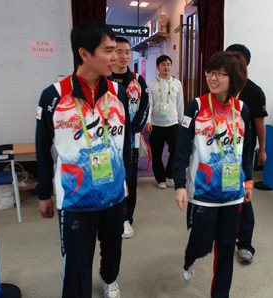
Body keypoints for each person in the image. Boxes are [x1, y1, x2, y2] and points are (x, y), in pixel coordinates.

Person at [35, 20, 131, 298]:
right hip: (76, 198)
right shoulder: (53, 97)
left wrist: (126, 185)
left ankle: (108, 278)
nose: (117, 58)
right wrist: (44, 194)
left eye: (117, 51)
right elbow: (42, 149)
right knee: (77, 259)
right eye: (109, 51)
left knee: (113, 247)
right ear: (85, 54)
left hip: (114, 192)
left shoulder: (118, 94)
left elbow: (125, 144)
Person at [173, 51, 253, 298]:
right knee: (198, 240)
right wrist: (179, 184)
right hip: (202, 192)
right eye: (211, 72)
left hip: (233, 193)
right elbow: (182, 148)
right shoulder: (196, 106)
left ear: (235, 77)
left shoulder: (242, 109)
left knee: (227, 248)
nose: (213, 77)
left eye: (220, 73)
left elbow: (246, 148)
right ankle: (191, 259)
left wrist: (248, 180)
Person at [225, 44, 268, 264]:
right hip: (220, 154)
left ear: (246, 63)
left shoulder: (254, 91)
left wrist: (262, 149)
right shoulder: (221, 85)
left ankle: (245, 244)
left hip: (243, 155)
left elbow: (260, 124)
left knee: (244, 197)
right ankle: (223, 238)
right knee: (222, 195)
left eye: (237, 58)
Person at [107, 37, 149, 239]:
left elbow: (145, 106)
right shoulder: (103, 80)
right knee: (108, 177)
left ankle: (126, 219)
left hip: (130, 140)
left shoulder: (138, 80)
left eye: (127, 52)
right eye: (118, 51)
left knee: (129, 180)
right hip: (106, 142)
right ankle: (107, 216)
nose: (123, 57)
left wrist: (133, 129)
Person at [146, 55, 184, 189]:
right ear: (157, 67)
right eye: (163, 64)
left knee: (176, 151)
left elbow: (180, 103)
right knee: (156, 154)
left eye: (168, 64)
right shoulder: (151, 84)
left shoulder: (177, 83)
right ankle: (160, 179)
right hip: (156, 124)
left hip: (173, 123)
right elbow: (149, 104)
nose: (166, 67)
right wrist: (148, 121)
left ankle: (170, 173)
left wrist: (181, 120)